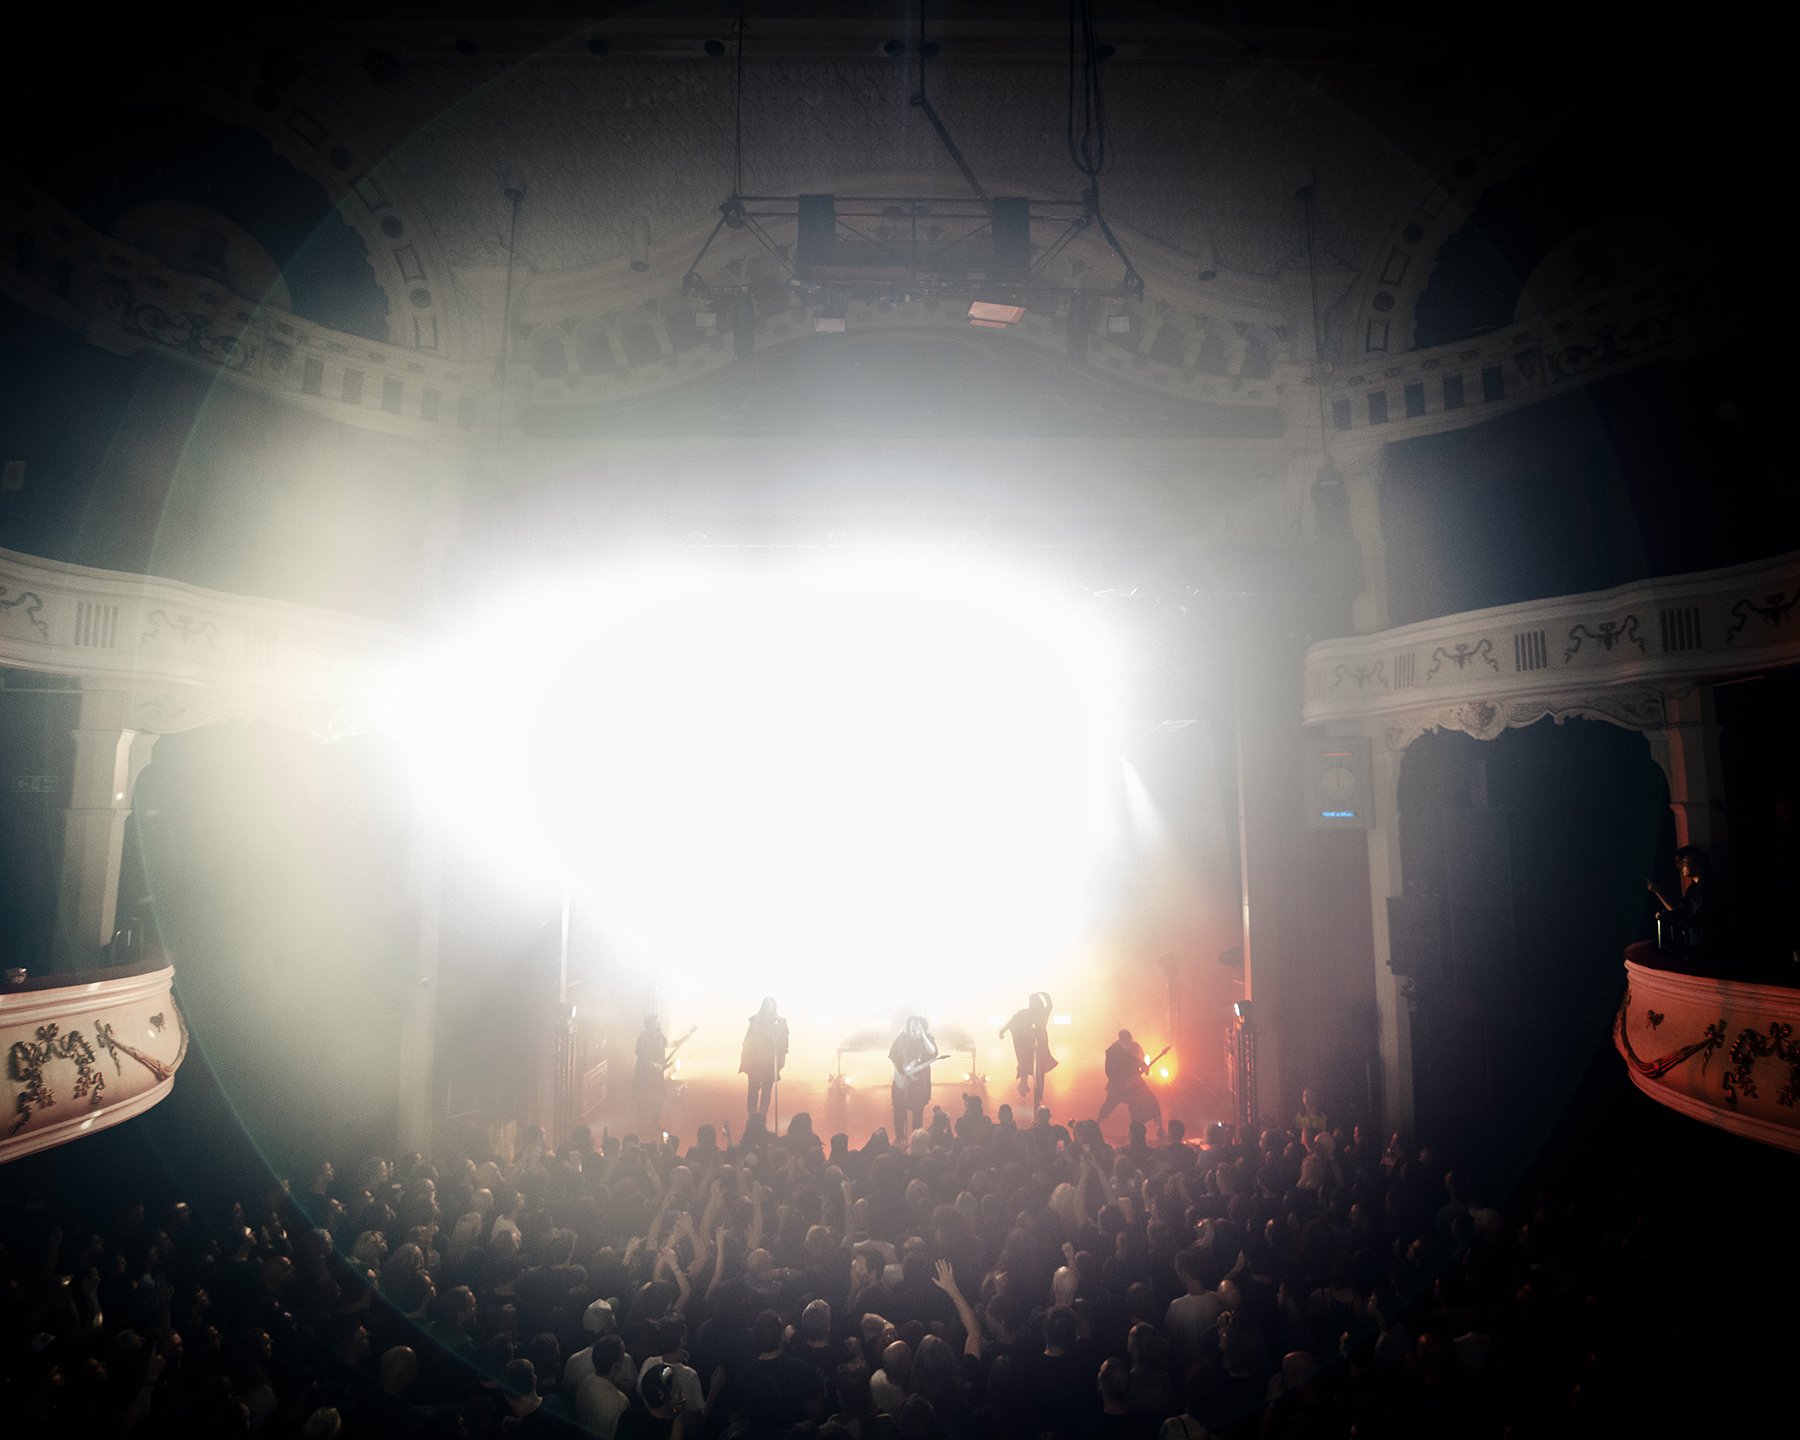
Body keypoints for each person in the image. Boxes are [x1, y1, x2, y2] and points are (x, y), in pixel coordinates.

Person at [1000, 990, 1058, 1108]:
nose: (1032, 1003)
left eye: (1033, 1001)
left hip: (1041, 1042)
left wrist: (1044, 994)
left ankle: (1038, 1096)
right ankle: (1024, 1084)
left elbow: (1050, 1005)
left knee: (1040, 1069)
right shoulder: (1026, 1013)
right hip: (1029, 1043)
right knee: (1026, 1062)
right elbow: (1013, 1021)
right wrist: (1002, 1030)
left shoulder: (1042, 1012)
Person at [1098, 1029, 1162, 1134]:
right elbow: (1109, 1071)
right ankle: (1097, 1124)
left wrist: (1144, 1067)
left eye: (1129, 1040)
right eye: (1126, 1040)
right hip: (1118, 1086)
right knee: (1109, 1105)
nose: (1128, 1042)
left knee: (1151, 1101)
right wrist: (1123, 1081)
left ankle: (1159, 1127)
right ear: (1120, 1040)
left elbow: (1141, 1061)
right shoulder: (1112, 1051)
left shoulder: (1135, 1047)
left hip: (1135, 1082)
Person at [888, 1016, 939, 1144]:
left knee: (917, 1112)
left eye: (917, 1026)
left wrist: (923, 1036)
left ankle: (916, 1140)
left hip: (919, 1083)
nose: (914, 1028)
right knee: (898, 1111)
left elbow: (933, 1052)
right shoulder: (901, 1039)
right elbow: (893, 1056)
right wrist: (900, 1073)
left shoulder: (927, 1038)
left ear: (922, 1026)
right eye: (911, 1026)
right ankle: (900, 1139)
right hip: (902, 1081)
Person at [740, 997, 789, 1123]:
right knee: (753, 1088)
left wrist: (778, 1044)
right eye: (766, 1004)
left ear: (774, 1006)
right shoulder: (755, 1021)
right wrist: (746, 1058)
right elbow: (748, 1040)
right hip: (755, 1061)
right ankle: (751, 1114)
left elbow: (784, 1042)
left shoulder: (780, 1022)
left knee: (767, 1089)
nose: (768, 1006)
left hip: (770, 1062)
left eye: (770, 1004)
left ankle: (762, 1114)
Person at [635, 1014, 668, 1138]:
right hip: (645, 1076)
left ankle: (655, 1123)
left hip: (657, 1075)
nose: (659, 1023)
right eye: (657, 1022)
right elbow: (641, 1057)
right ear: (650, 1024)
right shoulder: (642, 1039)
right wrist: (654, 1065)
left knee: (659, 1097)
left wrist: (684, 1039)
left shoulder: (660, 1036)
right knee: (644, 1101)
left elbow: (668, 1044)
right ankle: (642, 1128)